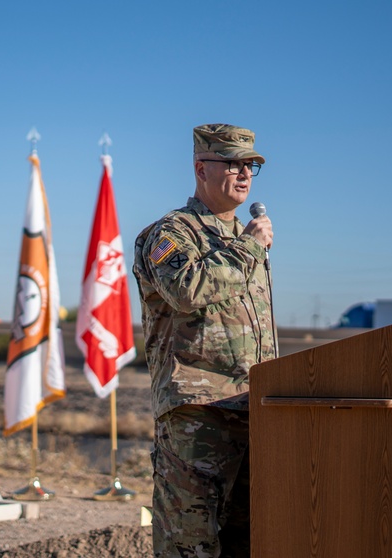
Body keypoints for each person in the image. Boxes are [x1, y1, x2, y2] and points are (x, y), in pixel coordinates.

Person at [132, 123, 277, 558]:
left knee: (246, 545)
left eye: (249, 165)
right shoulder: (171, 233)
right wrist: (249, 250)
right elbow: (186, 290)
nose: (244, 173)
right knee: (190, 546)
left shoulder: (241, 239)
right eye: (231, 163)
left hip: (253, 411)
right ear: (201, 168)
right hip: (197, 415)